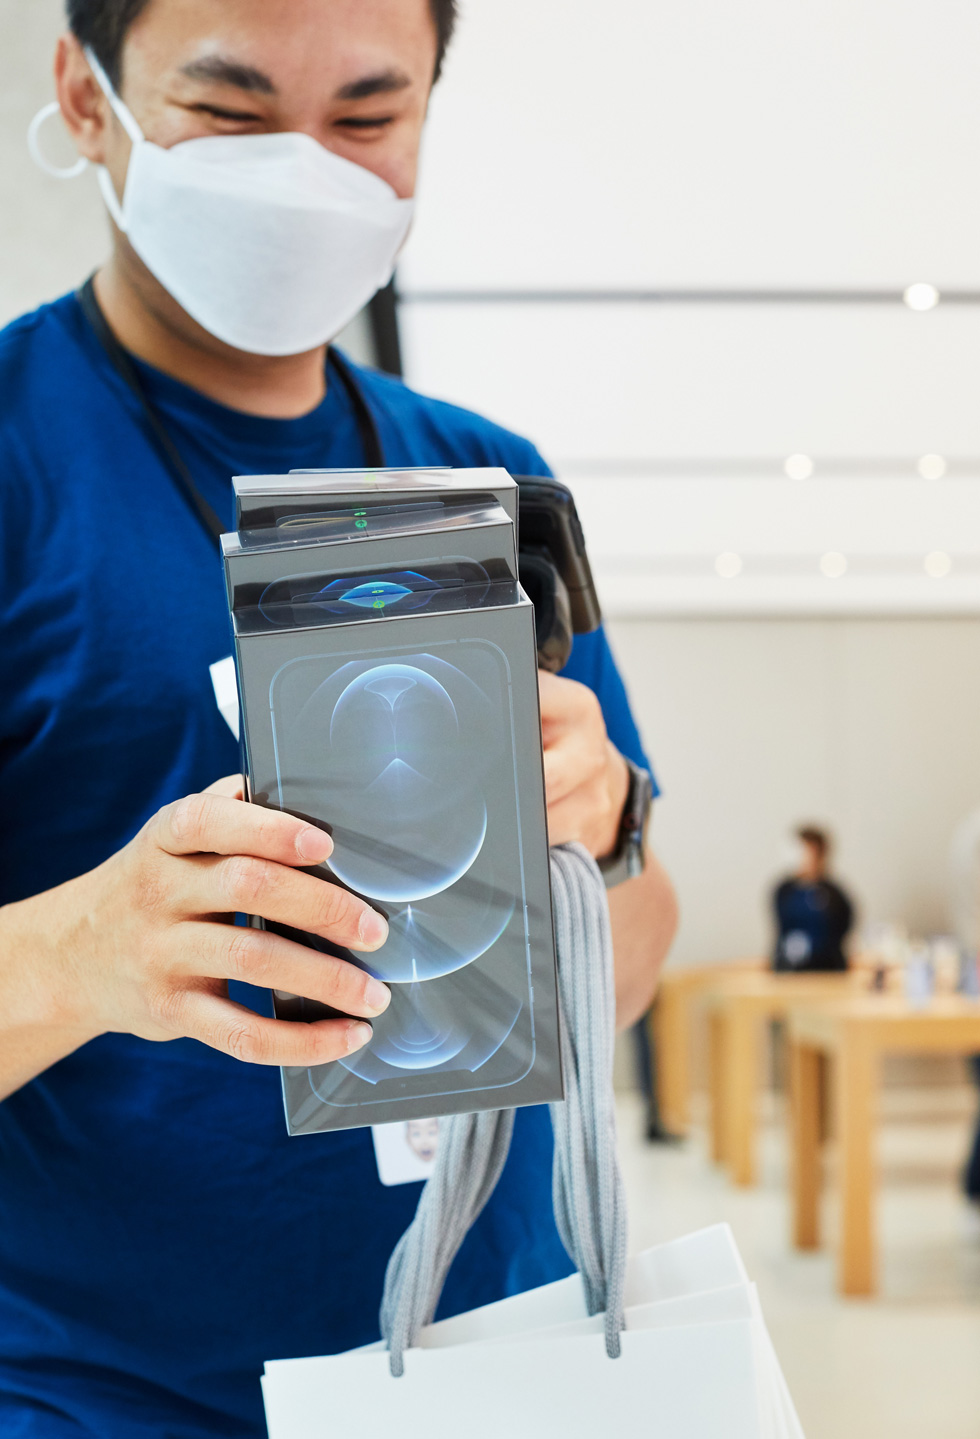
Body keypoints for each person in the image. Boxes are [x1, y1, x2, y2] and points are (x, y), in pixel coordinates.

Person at [0, 2, 679, 1434]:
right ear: (84, 92)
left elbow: (626, 966)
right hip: (99, 1387)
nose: (304, 172)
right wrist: (84, 953)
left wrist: (601, 836)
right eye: (231, 115)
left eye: (366, 118)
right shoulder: (19, 459)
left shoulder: (486, 478)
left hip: (490, 1354)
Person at [772, 825, 854, 972]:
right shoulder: (784, 891)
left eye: (810, 852)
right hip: (788, 969)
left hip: (827, 970)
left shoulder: (834, 894)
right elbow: (780, 928)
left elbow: (844, 926)